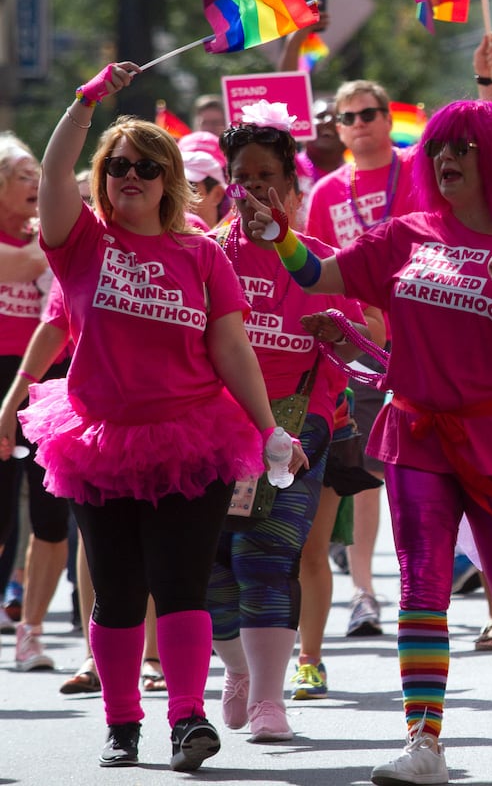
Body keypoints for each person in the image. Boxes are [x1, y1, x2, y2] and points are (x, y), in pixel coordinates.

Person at [249, 98, 492, 779]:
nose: (446, 158)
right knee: (421, 584)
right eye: (438, 147)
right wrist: (278, 233)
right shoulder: (409, 232)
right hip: (419, 431)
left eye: (463, 146)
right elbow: (320, 276)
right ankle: (423, 742)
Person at [22, 64, 302, 771]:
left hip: (194, 438)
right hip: (98, 440)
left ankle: (187, 719)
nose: (132, 175)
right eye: (118, 165)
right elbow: (55, 177)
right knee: (117, 593)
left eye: (148, 166)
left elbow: (232, 347)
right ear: (104, 175)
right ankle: (122, 724)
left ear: (168, 179)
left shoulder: (201, 254)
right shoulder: (81, 240)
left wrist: (268, 427)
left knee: (182, 585)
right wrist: (85, 101)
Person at [205, 102, 365, 743]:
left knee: (267, 556)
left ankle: (271, 699)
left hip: (300, 431)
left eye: (268, 178)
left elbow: (366, 352)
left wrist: (343, 338)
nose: (254, 192)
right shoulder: (205, 254)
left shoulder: (323, 262)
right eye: (242, 178)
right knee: (212, 566)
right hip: (212, 431)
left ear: (294, 188)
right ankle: (239, 668)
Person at [305, 79, 422, 645]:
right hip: (366, 349)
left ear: (387, 116)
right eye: (347, 116)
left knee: (434, 467)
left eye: (371, 112)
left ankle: (442, 585)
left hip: (432, 334)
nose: (359, 123)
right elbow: (317, 273)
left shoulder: (420, 167)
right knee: (370, 473)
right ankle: (365, 592)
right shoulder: (327, 191)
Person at [0, 136, 70, 674]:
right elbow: (24, 266)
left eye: (39, 174)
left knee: (50, 516)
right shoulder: (28, 241)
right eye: (26, 174)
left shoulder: (47, 230)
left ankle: (31, 631)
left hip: (53, 377)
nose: (36, 183)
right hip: (4, 377)